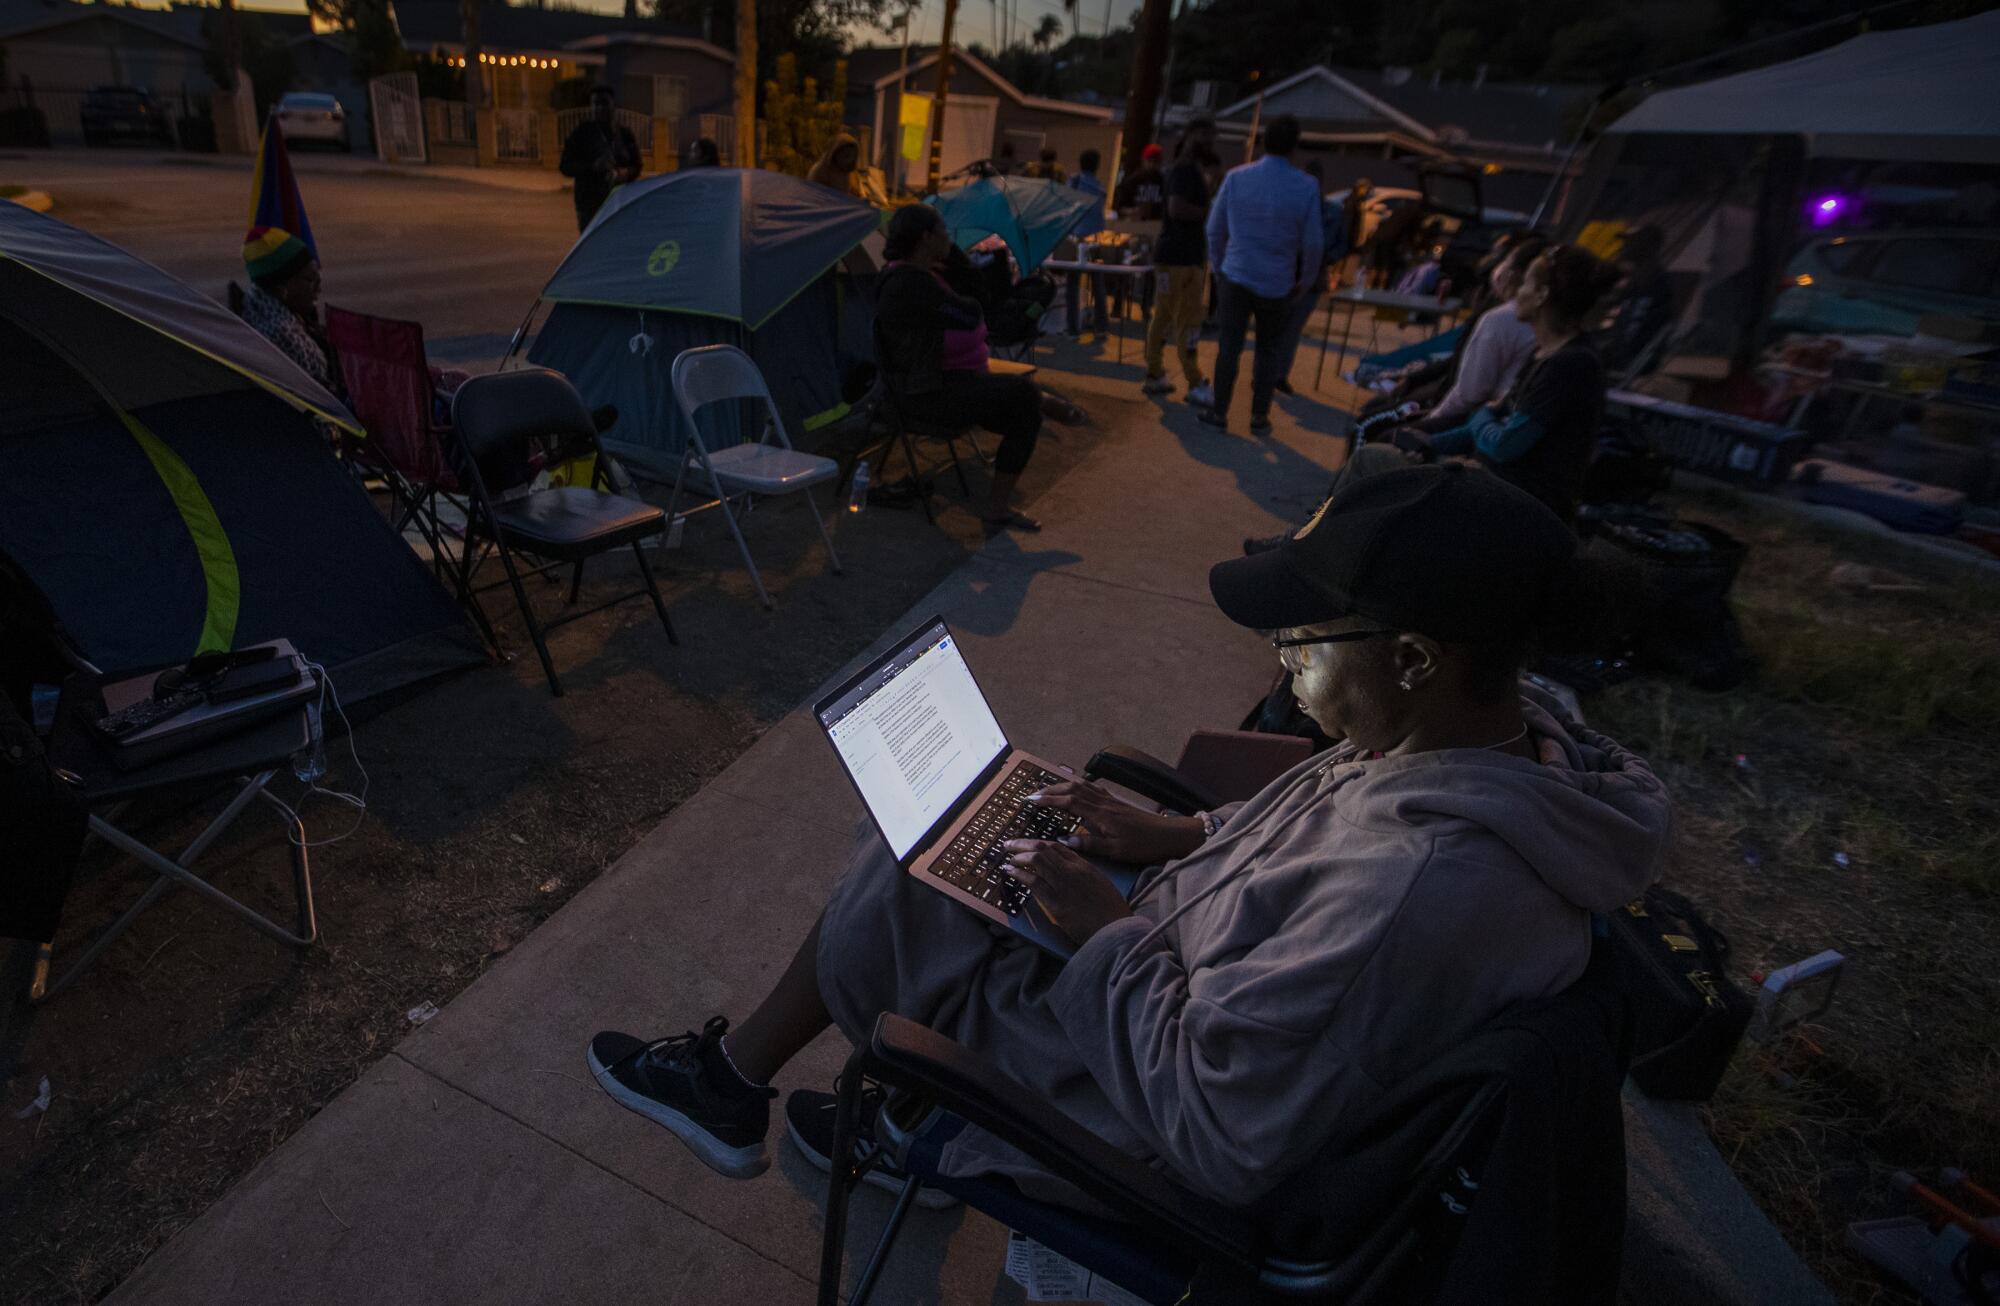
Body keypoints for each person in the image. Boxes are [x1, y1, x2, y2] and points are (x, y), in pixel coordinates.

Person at [583, 461, 1669, 1215]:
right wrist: (1175, 831)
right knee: (976, 844)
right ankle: (831, 1101)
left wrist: (1107, 933)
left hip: (1144, 1120)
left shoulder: (1416, 885)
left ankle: (803, 1094)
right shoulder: (1487, 745)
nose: (1282, 660)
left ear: (1418, 657)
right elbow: (1316, 825)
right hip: (1186, 963)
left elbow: (1217, 1131)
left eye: (1301, 639)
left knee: (911, 871)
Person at [862, 204, 1044, 532]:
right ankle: (997, 508)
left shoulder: (918, 274)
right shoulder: (909, 283)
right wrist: (961, 273)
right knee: (1025, 398)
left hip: (941, 384)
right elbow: (971, 313)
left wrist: (956, 272)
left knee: (1024, 410)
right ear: (926, 237)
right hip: (924, 395)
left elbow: (976, 296)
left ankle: (998, 506)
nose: (949, 238)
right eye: (943, 232)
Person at [1200, 114, 1322, 436]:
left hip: (1236, 273)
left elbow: (1214, 230)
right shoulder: (1306, 186)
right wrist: (1305, 280)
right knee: (1269, 349)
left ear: (1263, 142)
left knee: (1229, 347)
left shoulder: (1237, 178)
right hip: (1278, 280)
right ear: (1294, 147)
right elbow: (1313, 243)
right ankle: (1258, 416)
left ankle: (1219, 411)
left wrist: (1218, 267)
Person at [1418, 235, 1546, 430]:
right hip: (1486, 422)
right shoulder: (1568, 343)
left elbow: (1470, 394)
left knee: (1376, 428)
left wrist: (1428, 421)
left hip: (1475, 423)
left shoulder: (1503, 318)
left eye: (1527, 283)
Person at [1141, 116, 1216, 402]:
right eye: (1207, 137)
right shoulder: (1185, 171)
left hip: (1177, 256)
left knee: (1169, 316)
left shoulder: (1185, 170)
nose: (1211, 143)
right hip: (1180, 257)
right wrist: (1207, 210)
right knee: (1182, 318)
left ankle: (1158, 373)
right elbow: (1177, 208)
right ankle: (1192, 380)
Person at [240, 225, 344, 400]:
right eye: (310, 280)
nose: (319, 288)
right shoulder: (279, 336)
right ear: (282, 288)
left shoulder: (264, 309)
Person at [1267, 159, 1343, 398]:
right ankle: (1268, 374)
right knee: (1276, 327)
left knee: (1292, 329)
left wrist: (1321, 258)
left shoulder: (1331, 212)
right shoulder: (1293, 207)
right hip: (1287, 273)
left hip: (1309, 277)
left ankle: (1278, 375)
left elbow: (1340, 245)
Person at [559, 85, 641, 233]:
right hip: (589, 205)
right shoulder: (582, 134)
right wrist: (592, 166)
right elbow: (565, 166)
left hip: (618, 203)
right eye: (596, 104)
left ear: (613, 105)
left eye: (604, 103)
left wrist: (625, 173)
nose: (600, 108)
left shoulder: (624, 135)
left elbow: (637, 165)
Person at [1064, 148, 1110, 335]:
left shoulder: (1074, 182)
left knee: (1072, 285)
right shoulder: (1099, 187)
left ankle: (1073, 328)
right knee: (1098, 283)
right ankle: (1101, 326)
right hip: (1096, 238)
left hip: (1076, 238)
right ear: (1097, 166)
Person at [1114, 142, 1165, 221]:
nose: (1152, 164)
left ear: (1160, 162)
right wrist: (1131, 211)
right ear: (1143, 160)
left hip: (1155, 227)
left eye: (1155, 161)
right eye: (1149, 160)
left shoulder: (1164, 182)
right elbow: (1119, 206)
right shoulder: (1132, 181)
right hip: (1134, 226)